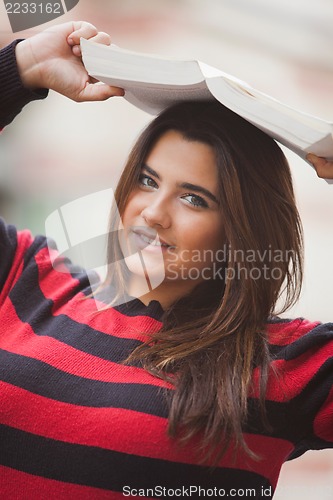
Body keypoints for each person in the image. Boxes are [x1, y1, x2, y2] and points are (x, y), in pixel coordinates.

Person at [0, 21, 332, 500]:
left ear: (240, 229)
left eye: (194, 199)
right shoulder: (27, 277)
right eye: (149, 181)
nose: (153, 214)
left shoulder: (284, 365)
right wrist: (21, 68)